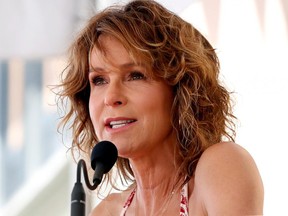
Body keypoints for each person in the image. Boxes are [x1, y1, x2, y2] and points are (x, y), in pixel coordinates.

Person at [57, 0, 264, 215]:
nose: (110, 97)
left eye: (135, 75)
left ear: (181, 90)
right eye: (99, 80)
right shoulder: (107, 212)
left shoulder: (220, 167)